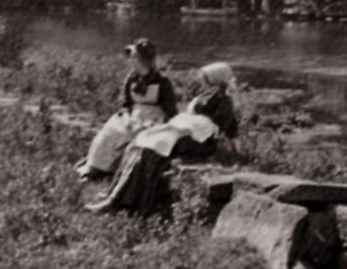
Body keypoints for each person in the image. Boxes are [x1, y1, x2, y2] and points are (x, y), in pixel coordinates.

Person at [85, 61, 240, 215]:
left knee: (152, 151)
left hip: (199, 140)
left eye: (206, 79)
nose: (202, 82)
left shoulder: (224, 100)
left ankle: (124, 202)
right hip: (186, 133)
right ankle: (116, 195)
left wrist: (236, 153)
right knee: (137, 145)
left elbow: (229, 127)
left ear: (215, 79)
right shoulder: (207, 95)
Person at [75, 38, 177, 180]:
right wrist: (127, 118)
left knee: (134, 136)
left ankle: (116, 171)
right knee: (110, 132)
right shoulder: (131, 78)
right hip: (132, 115)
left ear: (141, 60)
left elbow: (170, 110)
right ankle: (96, 167)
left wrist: (165, 126)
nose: (130, 60)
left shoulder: (162, 81)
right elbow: (125, 103)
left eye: (133, 57)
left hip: (153, 118)